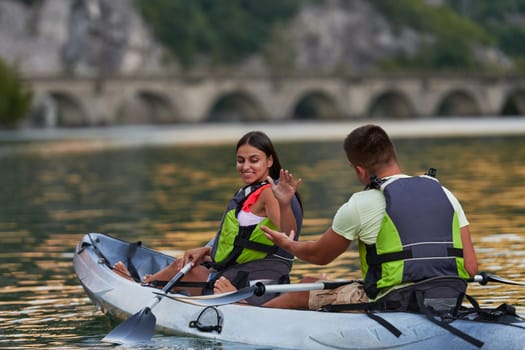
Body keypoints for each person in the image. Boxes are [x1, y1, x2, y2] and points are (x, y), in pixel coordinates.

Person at [260, 124, 478, 310]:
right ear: (393, 155)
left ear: (360, 170)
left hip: (394, 303)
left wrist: (289, 245)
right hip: (450, 297)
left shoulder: (360, 204)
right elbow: (470, 268)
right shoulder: (445, 193)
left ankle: (250, 319)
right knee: (323, 284)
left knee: (307, 286)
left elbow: (319, 256)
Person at [113, 130, 303, 305]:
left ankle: (143, 287)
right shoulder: (254, 191)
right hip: (243, 273)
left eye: (254, 160)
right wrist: (206, 250)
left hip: (250, 281)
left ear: (269, 161)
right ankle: (148, 284)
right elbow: (241, 242)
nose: (245, 166)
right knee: (190, 262)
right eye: (240, 160)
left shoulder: (269, 193)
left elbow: (289, 235)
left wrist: (285, 204)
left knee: (185, 267)